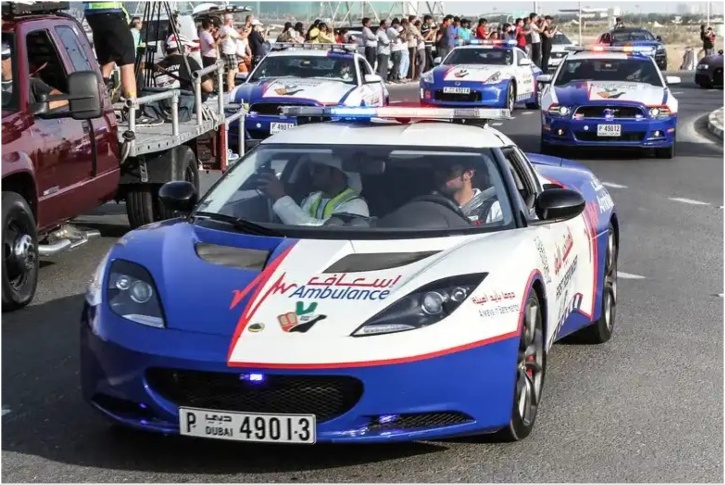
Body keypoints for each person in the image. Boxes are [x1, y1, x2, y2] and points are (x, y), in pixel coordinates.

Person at [256, 155, 369, 226]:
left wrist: (280, 197)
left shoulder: (356, 205)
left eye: (319, 170)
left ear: (337, 174)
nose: (312, 174)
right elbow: (298, 218)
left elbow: (320, 230)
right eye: (311, 169)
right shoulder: (314, 197)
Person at [83, 2, 137, 101]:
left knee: (107, 61)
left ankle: (99, 100)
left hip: (91, 13)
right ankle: (131, 103)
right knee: (127, 63)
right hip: (111, 10)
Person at [1, 40, 67, 110]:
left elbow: (63, 99)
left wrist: (41, 108)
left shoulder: (31, 82)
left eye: (3, 57)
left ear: (15, 59)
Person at [433, 162, 502, 225]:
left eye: (449, 172)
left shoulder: (493, 208)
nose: (441, 176)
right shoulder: (433, 206)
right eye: (438, 172)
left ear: (468, 174)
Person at [220, 14, 241, 92]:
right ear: (228, 20)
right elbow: (241, 37)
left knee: (233, 69)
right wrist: (248, 31)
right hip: (230, 51)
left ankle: (232, 85)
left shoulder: (223, 28)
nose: (233, 20)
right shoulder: (228, 29)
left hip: (228, 51)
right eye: (232, 19)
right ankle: (230, 86)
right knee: (231, 70)